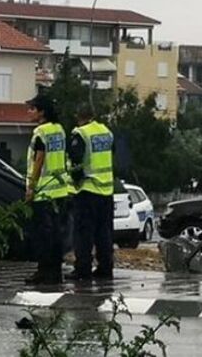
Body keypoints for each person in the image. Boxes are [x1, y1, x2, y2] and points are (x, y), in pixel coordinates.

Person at [24, 93, 71, 285]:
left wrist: (31, 188)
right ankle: (56, 272)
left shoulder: (40, 132)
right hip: (60, 190)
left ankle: (43, 272)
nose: (29, 112)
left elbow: (39, 160)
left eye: (32, 109)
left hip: (44, 192)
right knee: (56, 234)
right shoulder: (59, 130)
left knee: (43, 236)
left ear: (42, 112)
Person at [66, 103, 115, 281]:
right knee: (104, 233)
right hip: (106, 190)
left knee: (83, 233)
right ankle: (105, 268)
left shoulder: (80, 134)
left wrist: (75, 183)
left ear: (77, 116)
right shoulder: (106, 131)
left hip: (87, 190)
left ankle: (83, 269)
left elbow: (77, 163)